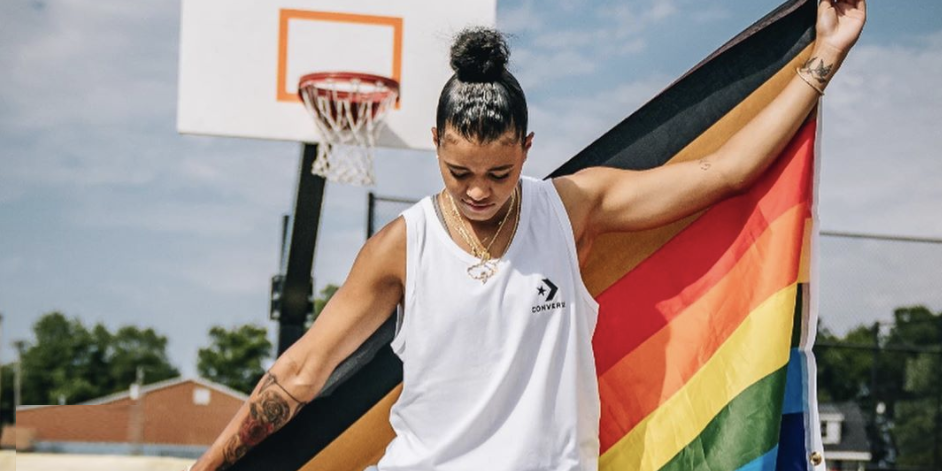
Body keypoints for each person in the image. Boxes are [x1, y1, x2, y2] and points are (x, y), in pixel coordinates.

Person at [185, 1, 866, 470]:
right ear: (434, 145)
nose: (479, 190)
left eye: (499, 172)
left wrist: (826, 56)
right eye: (459, 172)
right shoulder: (403, 242)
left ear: (528, 148)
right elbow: (300, 371)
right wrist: (211, 463)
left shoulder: (570, 209)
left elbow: (725, 171)